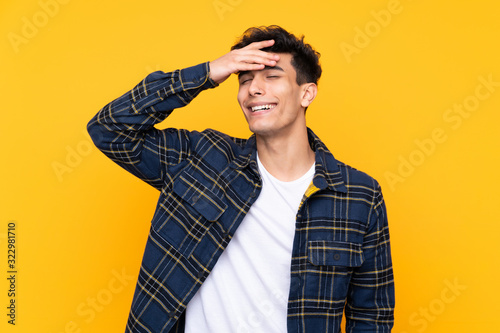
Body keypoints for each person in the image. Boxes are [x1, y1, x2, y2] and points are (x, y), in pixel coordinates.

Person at [87, 25, 395, 333]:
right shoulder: (203, 159)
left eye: (272, 77)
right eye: (245, 80)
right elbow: (109, 129)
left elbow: (372, 315)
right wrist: (209, 72)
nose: (253, 90)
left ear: (307, 92)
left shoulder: (359, 195)